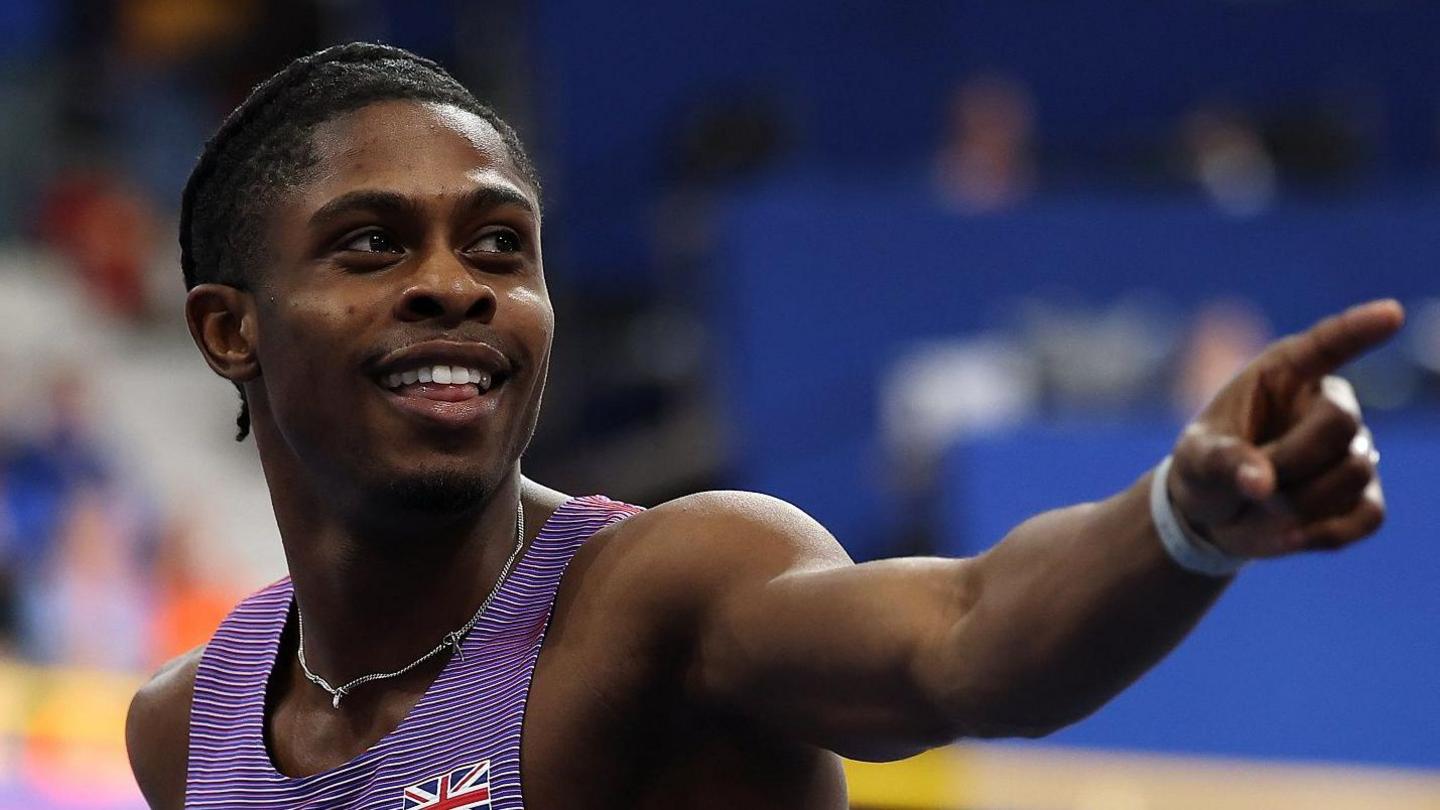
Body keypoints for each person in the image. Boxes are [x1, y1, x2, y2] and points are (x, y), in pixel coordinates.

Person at [124, 43, 1400, 809]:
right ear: (230, 331)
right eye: (373, 242)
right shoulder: (191, 724)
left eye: (502, 245)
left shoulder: (669, 593)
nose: (459, 283)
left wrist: (1182, 520)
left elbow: (961, 640)